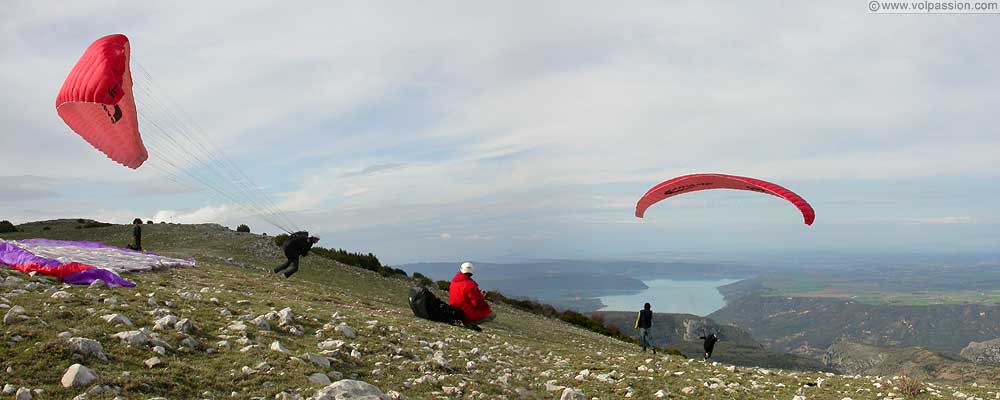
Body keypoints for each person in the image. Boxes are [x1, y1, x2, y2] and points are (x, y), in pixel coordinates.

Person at [448, 262, 495, 331]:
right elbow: (477, 302)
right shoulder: (470, 284)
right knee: (492, 315)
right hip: (465, 313)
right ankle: (469, 323)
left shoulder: (454, 282)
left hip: (455, 310)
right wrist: (484, 303)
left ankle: (469, 323)